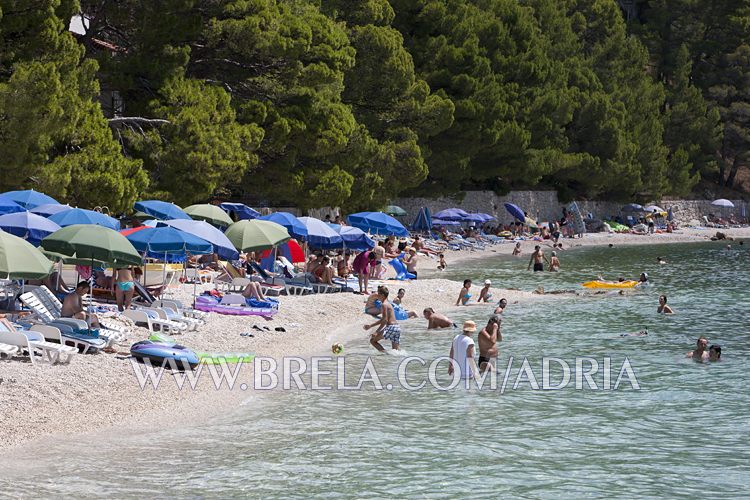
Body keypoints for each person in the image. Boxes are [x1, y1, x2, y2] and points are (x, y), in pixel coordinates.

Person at [364, 287, 401, 351]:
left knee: (373, 341)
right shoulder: (389, 304)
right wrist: (372, 327)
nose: (377, 296)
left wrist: (376, 331)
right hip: (397, 327)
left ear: (382, 295)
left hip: (391, 327)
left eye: (378, 294)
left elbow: (384, 320)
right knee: (396, 352)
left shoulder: (383, 305)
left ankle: (386, 355)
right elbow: (384, 320)